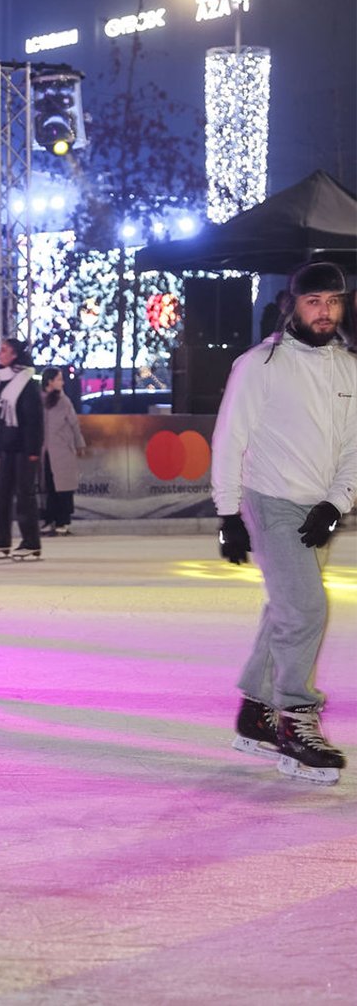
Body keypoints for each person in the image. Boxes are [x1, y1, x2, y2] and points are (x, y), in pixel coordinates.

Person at [212, 260, 356, 785]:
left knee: (287, 608)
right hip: (268, 499)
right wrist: (228, 512)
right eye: (314, 301)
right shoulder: (260, 365)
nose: (325, 311)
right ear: (291, 304)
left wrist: (335, 503)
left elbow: (354, 447)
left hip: (316, 509)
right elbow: (230, 439)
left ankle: (255, 711)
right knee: (305, 608)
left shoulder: (348, 367)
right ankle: (296, 717)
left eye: (333, 301)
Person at [0, 338, 43, 559]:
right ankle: (1, 541)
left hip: (25, 448)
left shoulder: (26, 382)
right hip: (8, 445)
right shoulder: (1, 380)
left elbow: (34, 418)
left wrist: (33, 449)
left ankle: (31, 542)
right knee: (2, 494)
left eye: (5, 350)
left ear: (15, 354)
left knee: (25, 495)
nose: (0, 353)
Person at [39, 367, 85, 536]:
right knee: (50, 487)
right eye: (59, 379)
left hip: (63, 450)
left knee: (64, 488)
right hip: (47, 451)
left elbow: (74, 424)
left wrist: (79, 444)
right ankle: (50, 519)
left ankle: (63, 521)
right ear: (49, 382)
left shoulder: (64, 401)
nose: (62, 382)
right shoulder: (39, 400)